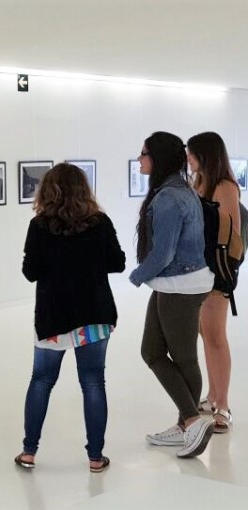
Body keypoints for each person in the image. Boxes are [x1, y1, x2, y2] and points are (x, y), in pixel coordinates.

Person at [15, 163, 125, 473]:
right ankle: (95, 457)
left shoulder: (39, 226)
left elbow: (30, 272)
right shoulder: (100, 222)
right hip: (94, 315)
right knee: (92, 382)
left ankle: (28, 452)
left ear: (48, 189)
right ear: (83, 189)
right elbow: (117, 263)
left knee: (41, 380)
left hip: (53, 318)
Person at [129, 131, 214, 458]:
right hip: (175, 285)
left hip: (180, 286)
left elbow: (163, 254)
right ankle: (187, 424)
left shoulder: (168, 198)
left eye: (144, 153)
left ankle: (191, 422)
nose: (139, 159)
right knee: (152, 350)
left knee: (183, 357)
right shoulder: (179, 191)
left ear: (158, 158)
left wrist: (137, 275)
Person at [187, 131, 241, 433]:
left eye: (192, 153)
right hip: (198, 271)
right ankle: (212, 396)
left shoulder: (225, 187)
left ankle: (223, 406)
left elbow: (230, 237)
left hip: (217, 273)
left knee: (216, 337)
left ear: (205, 155)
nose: (188, 159)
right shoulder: (199, 183)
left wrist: (222, 275)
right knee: (206, 335)